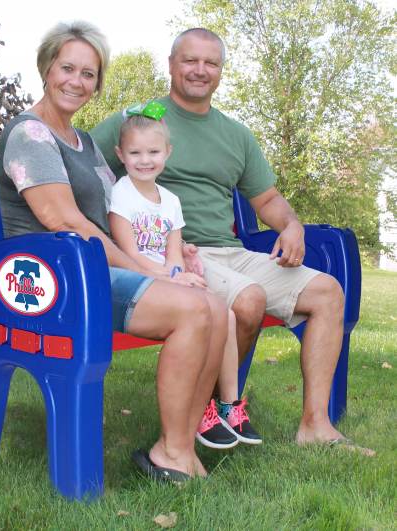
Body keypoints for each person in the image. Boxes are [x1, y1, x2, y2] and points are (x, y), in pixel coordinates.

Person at [91, 28, 374, 455]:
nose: (199, 70)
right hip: (179, 254)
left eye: (211, 62)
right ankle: (210, 408)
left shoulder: (236, 134)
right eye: (190, 60)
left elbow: (268, 199)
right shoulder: (140, 122)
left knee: (328, 292)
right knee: (248, 300)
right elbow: (80, 162)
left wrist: (291, 225)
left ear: (221, 71)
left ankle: (315, 424)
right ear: (171, 64)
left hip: (233, 251)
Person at [0, 20, 233, 481]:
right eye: (67, 68)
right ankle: (173, 452)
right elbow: (64, 221)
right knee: (192, 310)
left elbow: (116, 214)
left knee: (217, 309)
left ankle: (179, 446)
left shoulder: (82, 142)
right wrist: (150, 274)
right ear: (47, 69)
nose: (77, 81)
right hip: (51, 278)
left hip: (91, 267)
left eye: (89, 74)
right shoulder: (30, 134)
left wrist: (170, 253)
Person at [109, 108, 262, 448]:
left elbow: (174, 251)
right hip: (139, 277)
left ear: (167, 153)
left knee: (226, 314)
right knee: (205, 311)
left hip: (168, 277)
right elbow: (129, 253)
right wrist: (171, 278)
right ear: (120, 155)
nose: (144, 160)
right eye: (135, 152)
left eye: (153, 151)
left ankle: (228, 404)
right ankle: (201, 409)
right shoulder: (121, 193)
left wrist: (180, 274)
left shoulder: (171, 201)